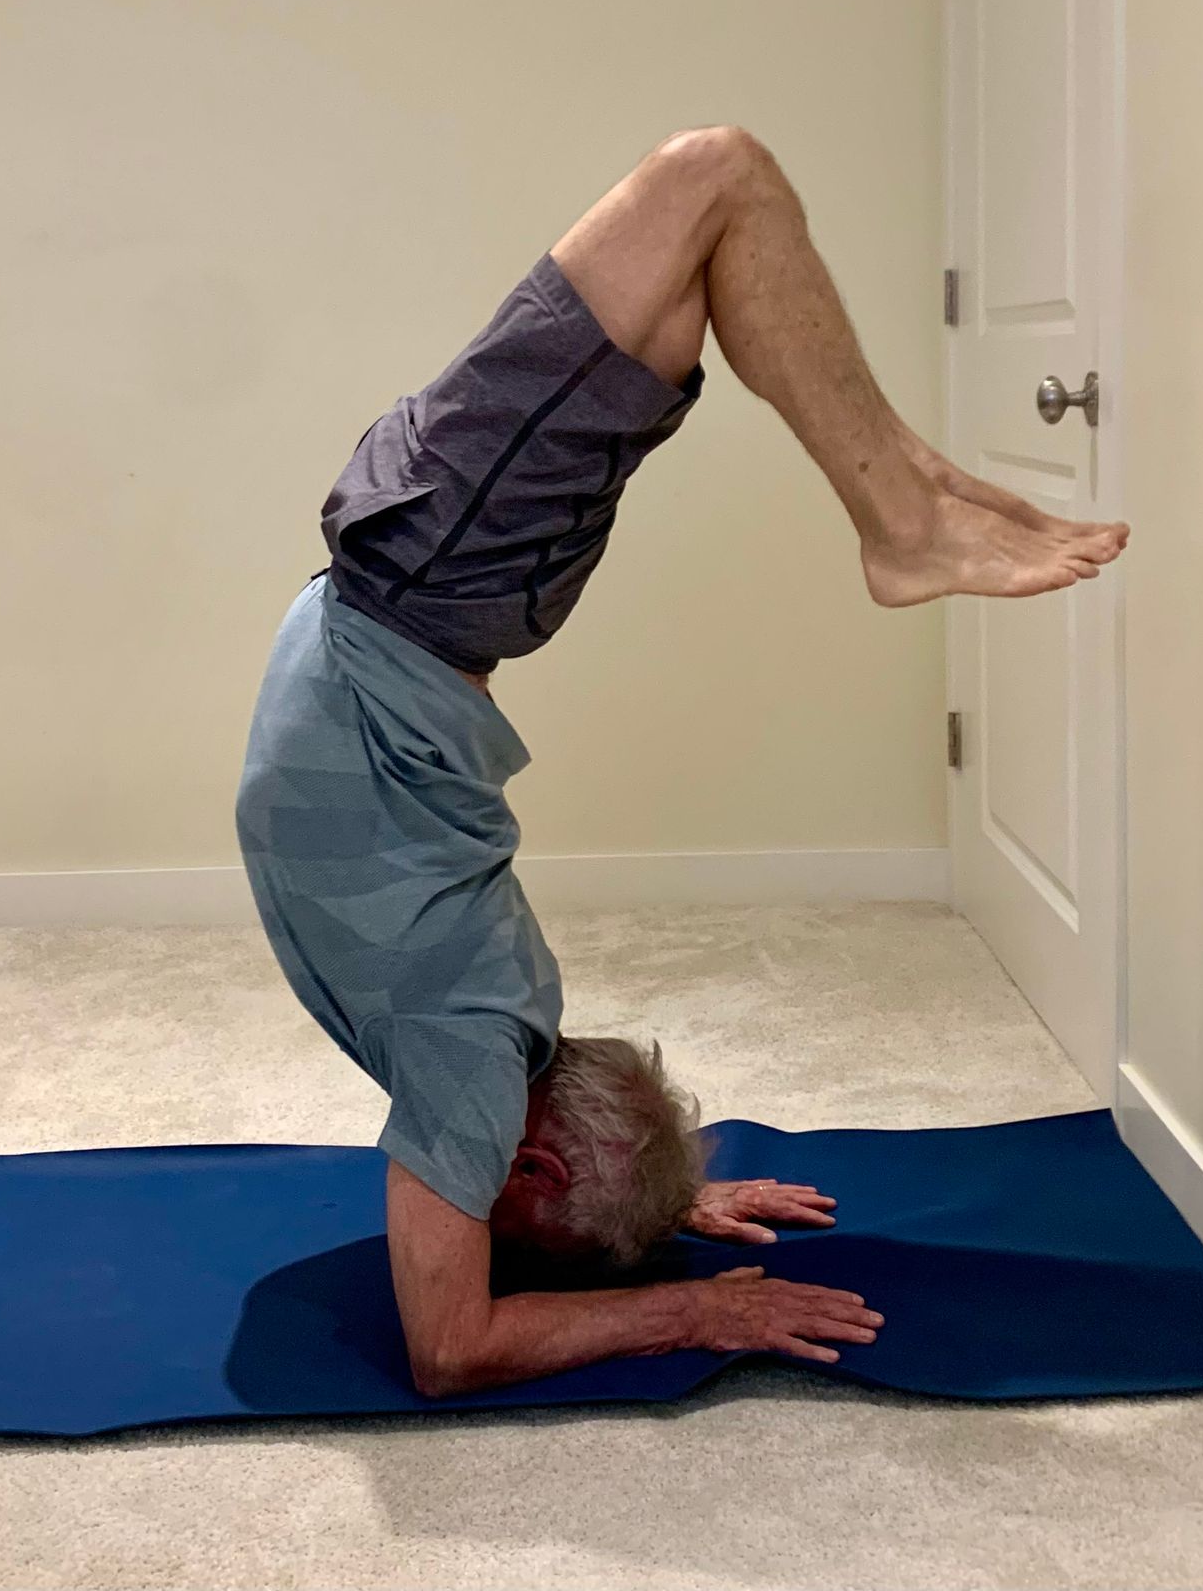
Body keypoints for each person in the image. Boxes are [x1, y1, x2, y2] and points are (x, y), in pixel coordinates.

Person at [236, 126, 1129, 1399]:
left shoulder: (476, 1054)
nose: (471, 1203)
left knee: (716, 211)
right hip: (430, 574)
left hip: (427, 570)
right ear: (531, 1164)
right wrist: (670, 1245)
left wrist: (660, 1249)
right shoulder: (485, 1046)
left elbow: (452, 1340)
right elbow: (460, 1326)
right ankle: (901, 513)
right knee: (718, 185)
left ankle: (902, 507)